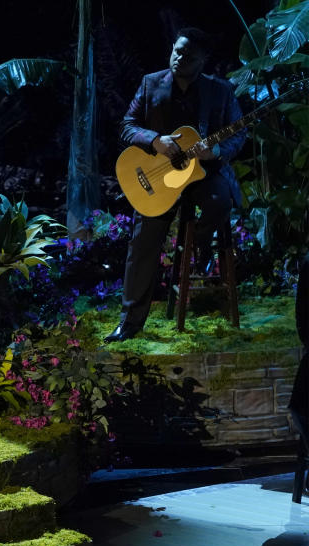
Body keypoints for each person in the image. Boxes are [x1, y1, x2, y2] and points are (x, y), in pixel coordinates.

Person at [105, 28, 246, 343]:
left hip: (203, 174)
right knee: (142, 241)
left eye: (188, 56)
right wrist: (155, 140)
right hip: (158, 178)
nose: (179, 58)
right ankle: (129, 323)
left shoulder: (220, 91)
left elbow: (239, 134)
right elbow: (126, 126)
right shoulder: (150, 83)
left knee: (220, 201)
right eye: (177, 50)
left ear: (203, 60)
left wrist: (218, 150)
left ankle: (201, 244)